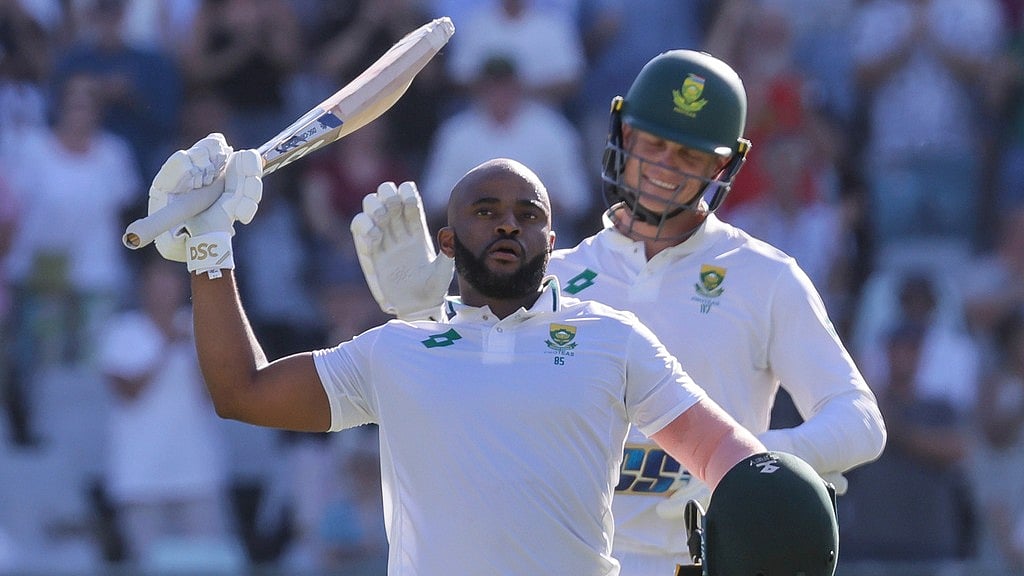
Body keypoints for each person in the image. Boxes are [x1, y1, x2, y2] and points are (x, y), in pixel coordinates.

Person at [139, 134, 830, 574]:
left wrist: (781, 503)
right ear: (446, 243)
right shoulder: (395, 351)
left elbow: (725, 458)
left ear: (552, 245)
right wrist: (210, 250)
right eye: (485, 210)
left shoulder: (613, 340)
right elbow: (242, 394)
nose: (508, 222)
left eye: (529, 214)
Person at [352, 49, 886, 574]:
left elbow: (861, 422)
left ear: (722, 166)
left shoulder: (764, 276)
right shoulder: (552, 271)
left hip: (701, 559)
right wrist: (420, 318)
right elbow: (456, 402)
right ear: (625, 136)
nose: (664, 170)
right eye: (654, 144)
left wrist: (750, 463)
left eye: (689, 156)